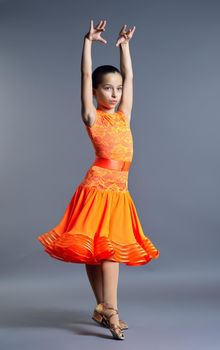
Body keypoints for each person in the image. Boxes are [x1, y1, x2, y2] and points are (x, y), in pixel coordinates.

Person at [37, 19, 160, 340]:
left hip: (119, 191)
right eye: (107, 87)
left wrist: (125, 47)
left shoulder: (124, 115)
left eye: (118, 89)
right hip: (97, 188)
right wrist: (87, 43)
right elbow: (82, 75)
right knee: (106, 251)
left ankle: (102, 308)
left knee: (99, 250)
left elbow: (131, 77)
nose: (115, 93)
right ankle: (113, 312)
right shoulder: (92, 116)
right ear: (95, 91)